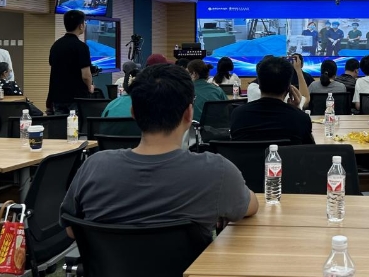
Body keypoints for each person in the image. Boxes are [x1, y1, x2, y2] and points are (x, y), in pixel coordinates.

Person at [60, 63, 258, 244]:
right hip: (187, 273)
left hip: (106, 273)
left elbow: (71, 229)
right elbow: (250, 206)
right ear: (189, 114)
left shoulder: (93, 167)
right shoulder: (217, 172)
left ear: (133, 113)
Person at [230, 56, 314, 145]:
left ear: (259, 84)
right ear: (288, 88)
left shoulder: (238, 115)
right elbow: (306, 149)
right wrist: (296, 111)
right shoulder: (301, 119)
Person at [48, 10, 94, 114]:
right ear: (81, 26)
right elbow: (86, 75)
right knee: (76, 124)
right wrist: (90, 87)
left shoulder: (56, 45)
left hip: (57, 97)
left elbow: (53, 67)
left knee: (60, 123)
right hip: (76, 98)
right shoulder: (81, 47)